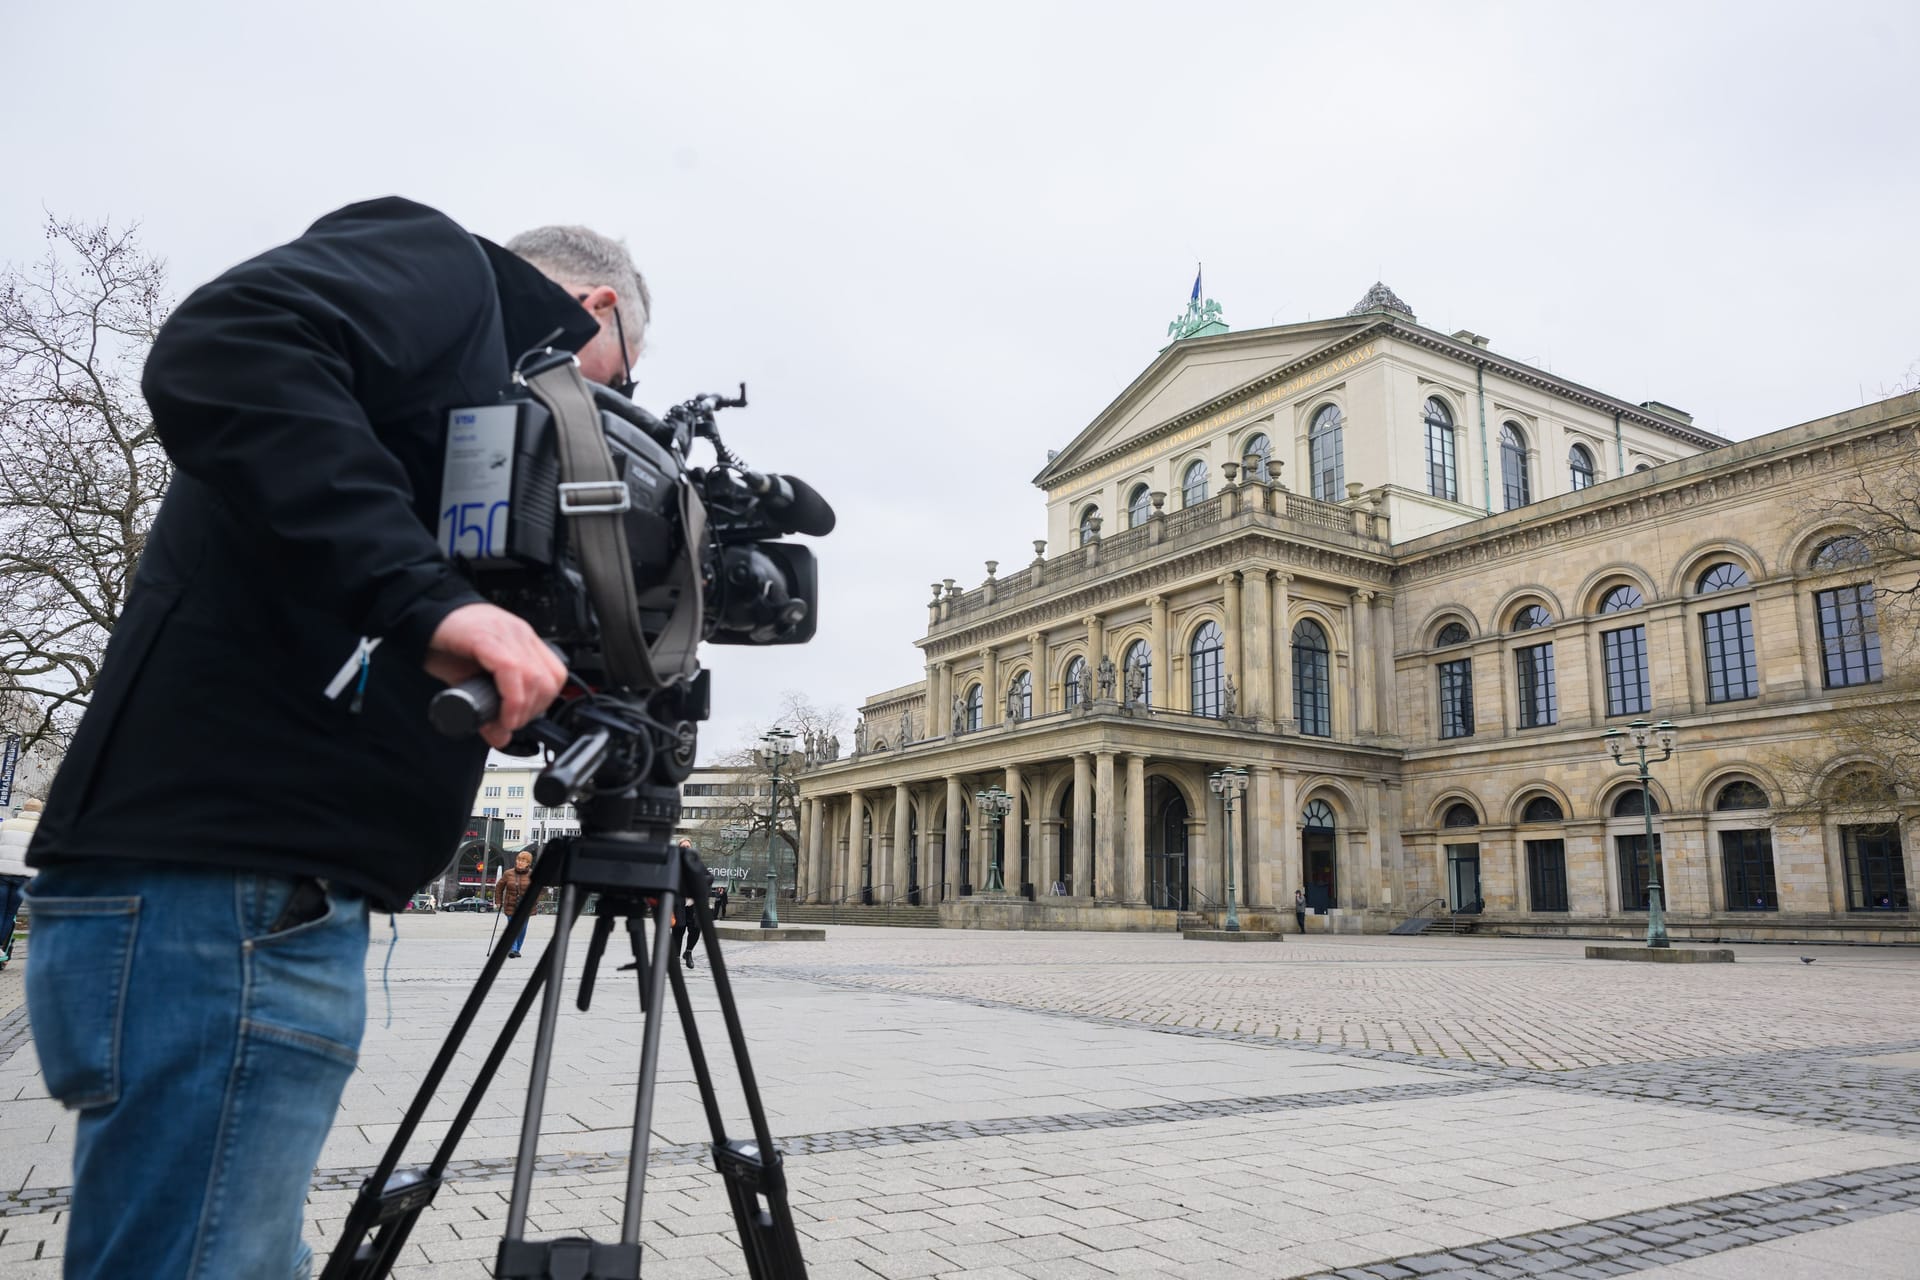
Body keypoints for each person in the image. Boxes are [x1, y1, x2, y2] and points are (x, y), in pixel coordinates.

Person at [22, 198, 648, 1280]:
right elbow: (231, 344)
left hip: (246, 894)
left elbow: (371, 592)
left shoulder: (436, 427)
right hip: (230, 892)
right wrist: (425, 599)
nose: (608, 417)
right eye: (619, 383)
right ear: (592, 308)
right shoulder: (453, 275)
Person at [0, 799, 41, 967]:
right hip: (23, 876)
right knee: (10, 914)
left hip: (2, 873)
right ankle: (1, 948)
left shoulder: (7, 824)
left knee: (0, 910)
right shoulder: (42, 829)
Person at [497, 848, 540, 958]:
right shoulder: (508, 873)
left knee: (522, 929)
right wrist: (498, 901)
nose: (520, 862)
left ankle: (517, 949)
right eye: (519, 860)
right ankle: (513, 948)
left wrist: (534, 900)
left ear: (528, 863)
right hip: (511, 905)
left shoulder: (534, 874)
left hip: (526, 906)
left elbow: (538, 889)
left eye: (523, 860)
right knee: (512, 927)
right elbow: (499, 887)